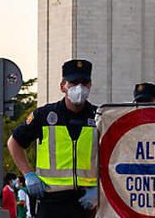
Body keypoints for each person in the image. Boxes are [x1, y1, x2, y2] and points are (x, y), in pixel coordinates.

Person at [8, 59, 99, 218]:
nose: (80, 88)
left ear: (90, 85)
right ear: (62, 86)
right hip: (51, 201)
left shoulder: (98, 117)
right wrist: (28, 174)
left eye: (84, 82)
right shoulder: (44, 115)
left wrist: (100, 188)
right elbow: (14, 142)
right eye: (74, 82)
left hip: (86, 202)